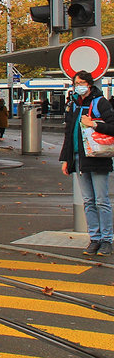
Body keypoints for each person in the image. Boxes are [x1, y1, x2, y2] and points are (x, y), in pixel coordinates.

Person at [59, 71, 114, 256]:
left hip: (97, 157)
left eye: (82, 82)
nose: (79, 85)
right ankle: (95, 239)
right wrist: (66, 160)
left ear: (90, 84)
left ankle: (107, 240)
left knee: (101, 200)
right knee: (89, 201)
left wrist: (94, 125)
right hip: (79, 158)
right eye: (76, 83)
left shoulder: (100, 102)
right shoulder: (73, 104)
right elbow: (69, 133)